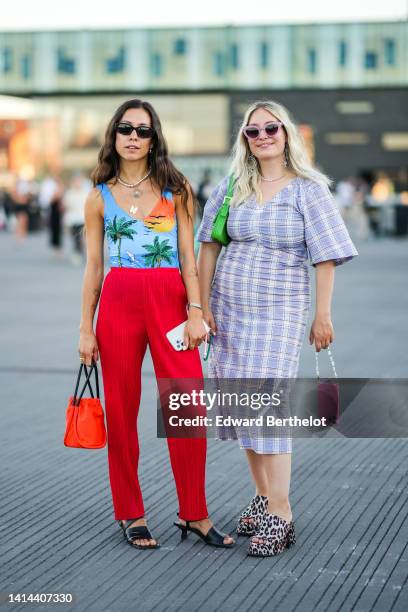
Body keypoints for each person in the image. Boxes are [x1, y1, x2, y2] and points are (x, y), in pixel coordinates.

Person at [197, 100, 358, 557]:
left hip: (279, 312)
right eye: (254, 131)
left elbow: (325, 255)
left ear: (287, 134)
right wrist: (202, 306)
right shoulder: (232, 187)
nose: (263, 135)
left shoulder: (309, 190)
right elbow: (209, 246)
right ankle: (265, 497)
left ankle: (281, 515)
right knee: (242, 408)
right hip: (228, 309)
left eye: (272, 128)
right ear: (244, 140)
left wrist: (322, 314)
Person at [78, 98, 234, 550]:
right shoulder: (98, 196)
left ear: (154, 138)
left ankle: (195, 514)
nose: (132, 137)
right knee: (123, 411)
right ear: (114, 135)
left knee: (187, 405)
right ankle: (131, 512)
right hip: (120, 302)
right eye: (125, 128)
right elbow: (94, 267)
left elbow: (189, 257)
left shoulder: (176, 187)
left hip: (170, 301)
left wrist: (197, 310)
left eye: (142, 130)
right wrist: (85, 328)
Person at [63, 173, 91, 264]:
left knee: (83, 238)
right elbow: (66, 206)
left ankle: (83, 253)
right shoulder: (69, 193)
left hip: (83, 219)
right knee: (75, 238)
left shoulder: (86, 192)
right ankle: (77, 253)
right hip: (73, 219)